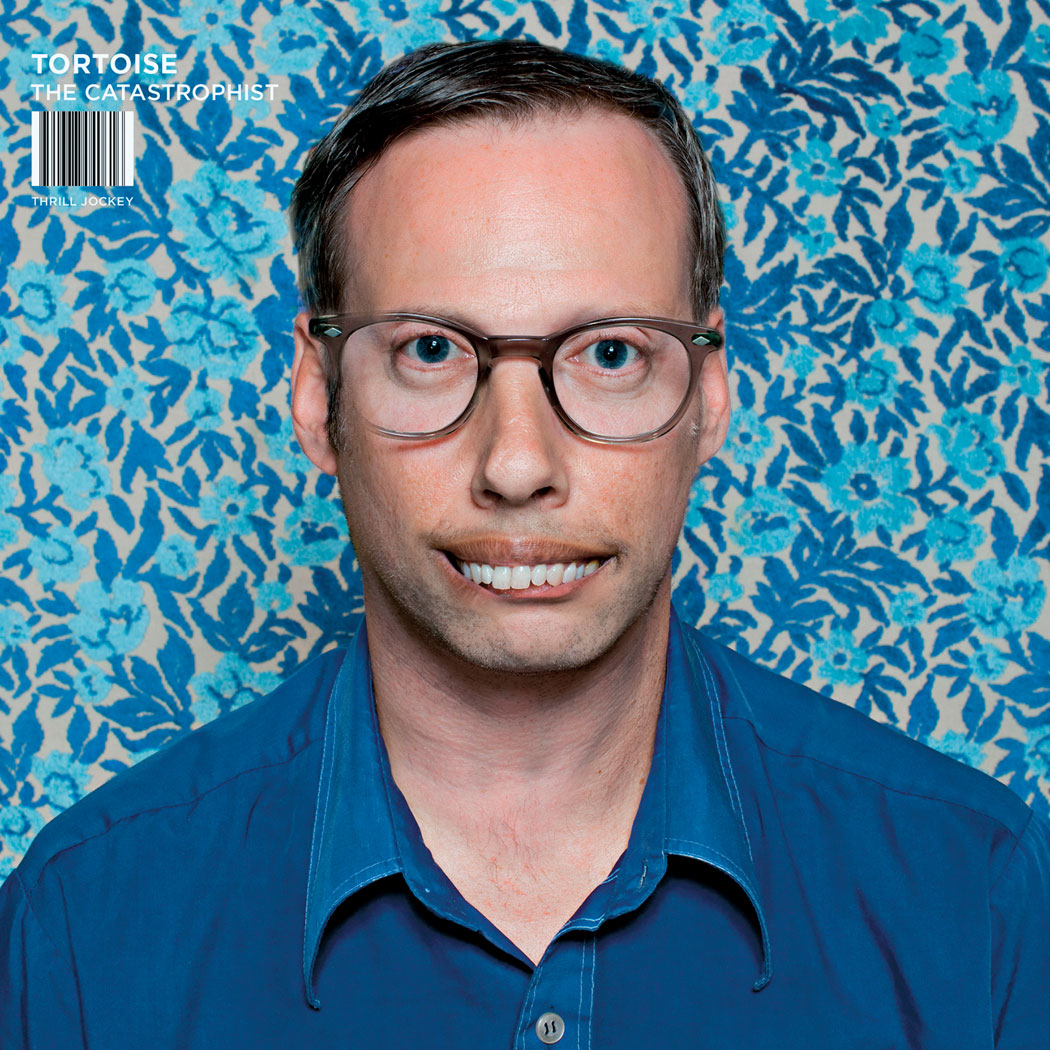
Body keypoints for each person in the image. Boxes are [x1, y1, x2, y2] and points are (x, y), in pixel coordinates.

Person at [1, 39, 1047, 1050]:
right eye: (429, 350)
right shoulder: (81, 930)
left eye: (610, 354)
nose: (516, 463)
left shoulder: (980, 900)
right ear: (319, 399)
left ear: (710, 398)